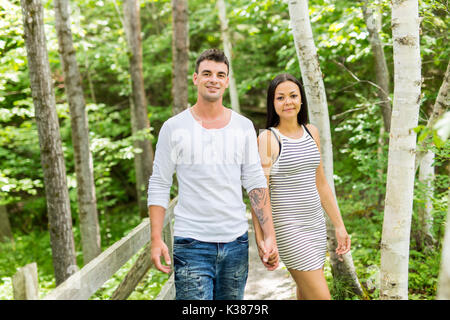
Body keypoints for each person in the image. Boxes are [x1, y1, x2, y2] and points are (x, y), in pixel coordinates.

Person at [147, 48, 279, 300]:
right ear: (195, 78)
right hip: (191, 243)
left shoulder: (243, 126)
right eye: (207, 73)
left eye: (220, 75)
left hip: (236, 242)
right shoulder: (173, 128)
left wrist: (269, 235)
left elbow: (254, 182)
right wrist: (156, 239)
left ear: (227, 81)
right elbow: (159, 184)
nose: (213, 79)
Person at [253, 73, 351, 300]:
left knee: (306, 294)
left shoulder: (311, 132)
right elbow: (259, 195)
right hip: (289, 228)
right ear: (273, 103)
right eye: (280, 97)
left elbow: (322, 184)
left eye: (293, 95)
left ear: (301, 100)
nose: (288, 102)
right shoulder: (268, 139)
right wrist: (264, 239)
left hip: (314, 226)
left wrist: (339, 225)